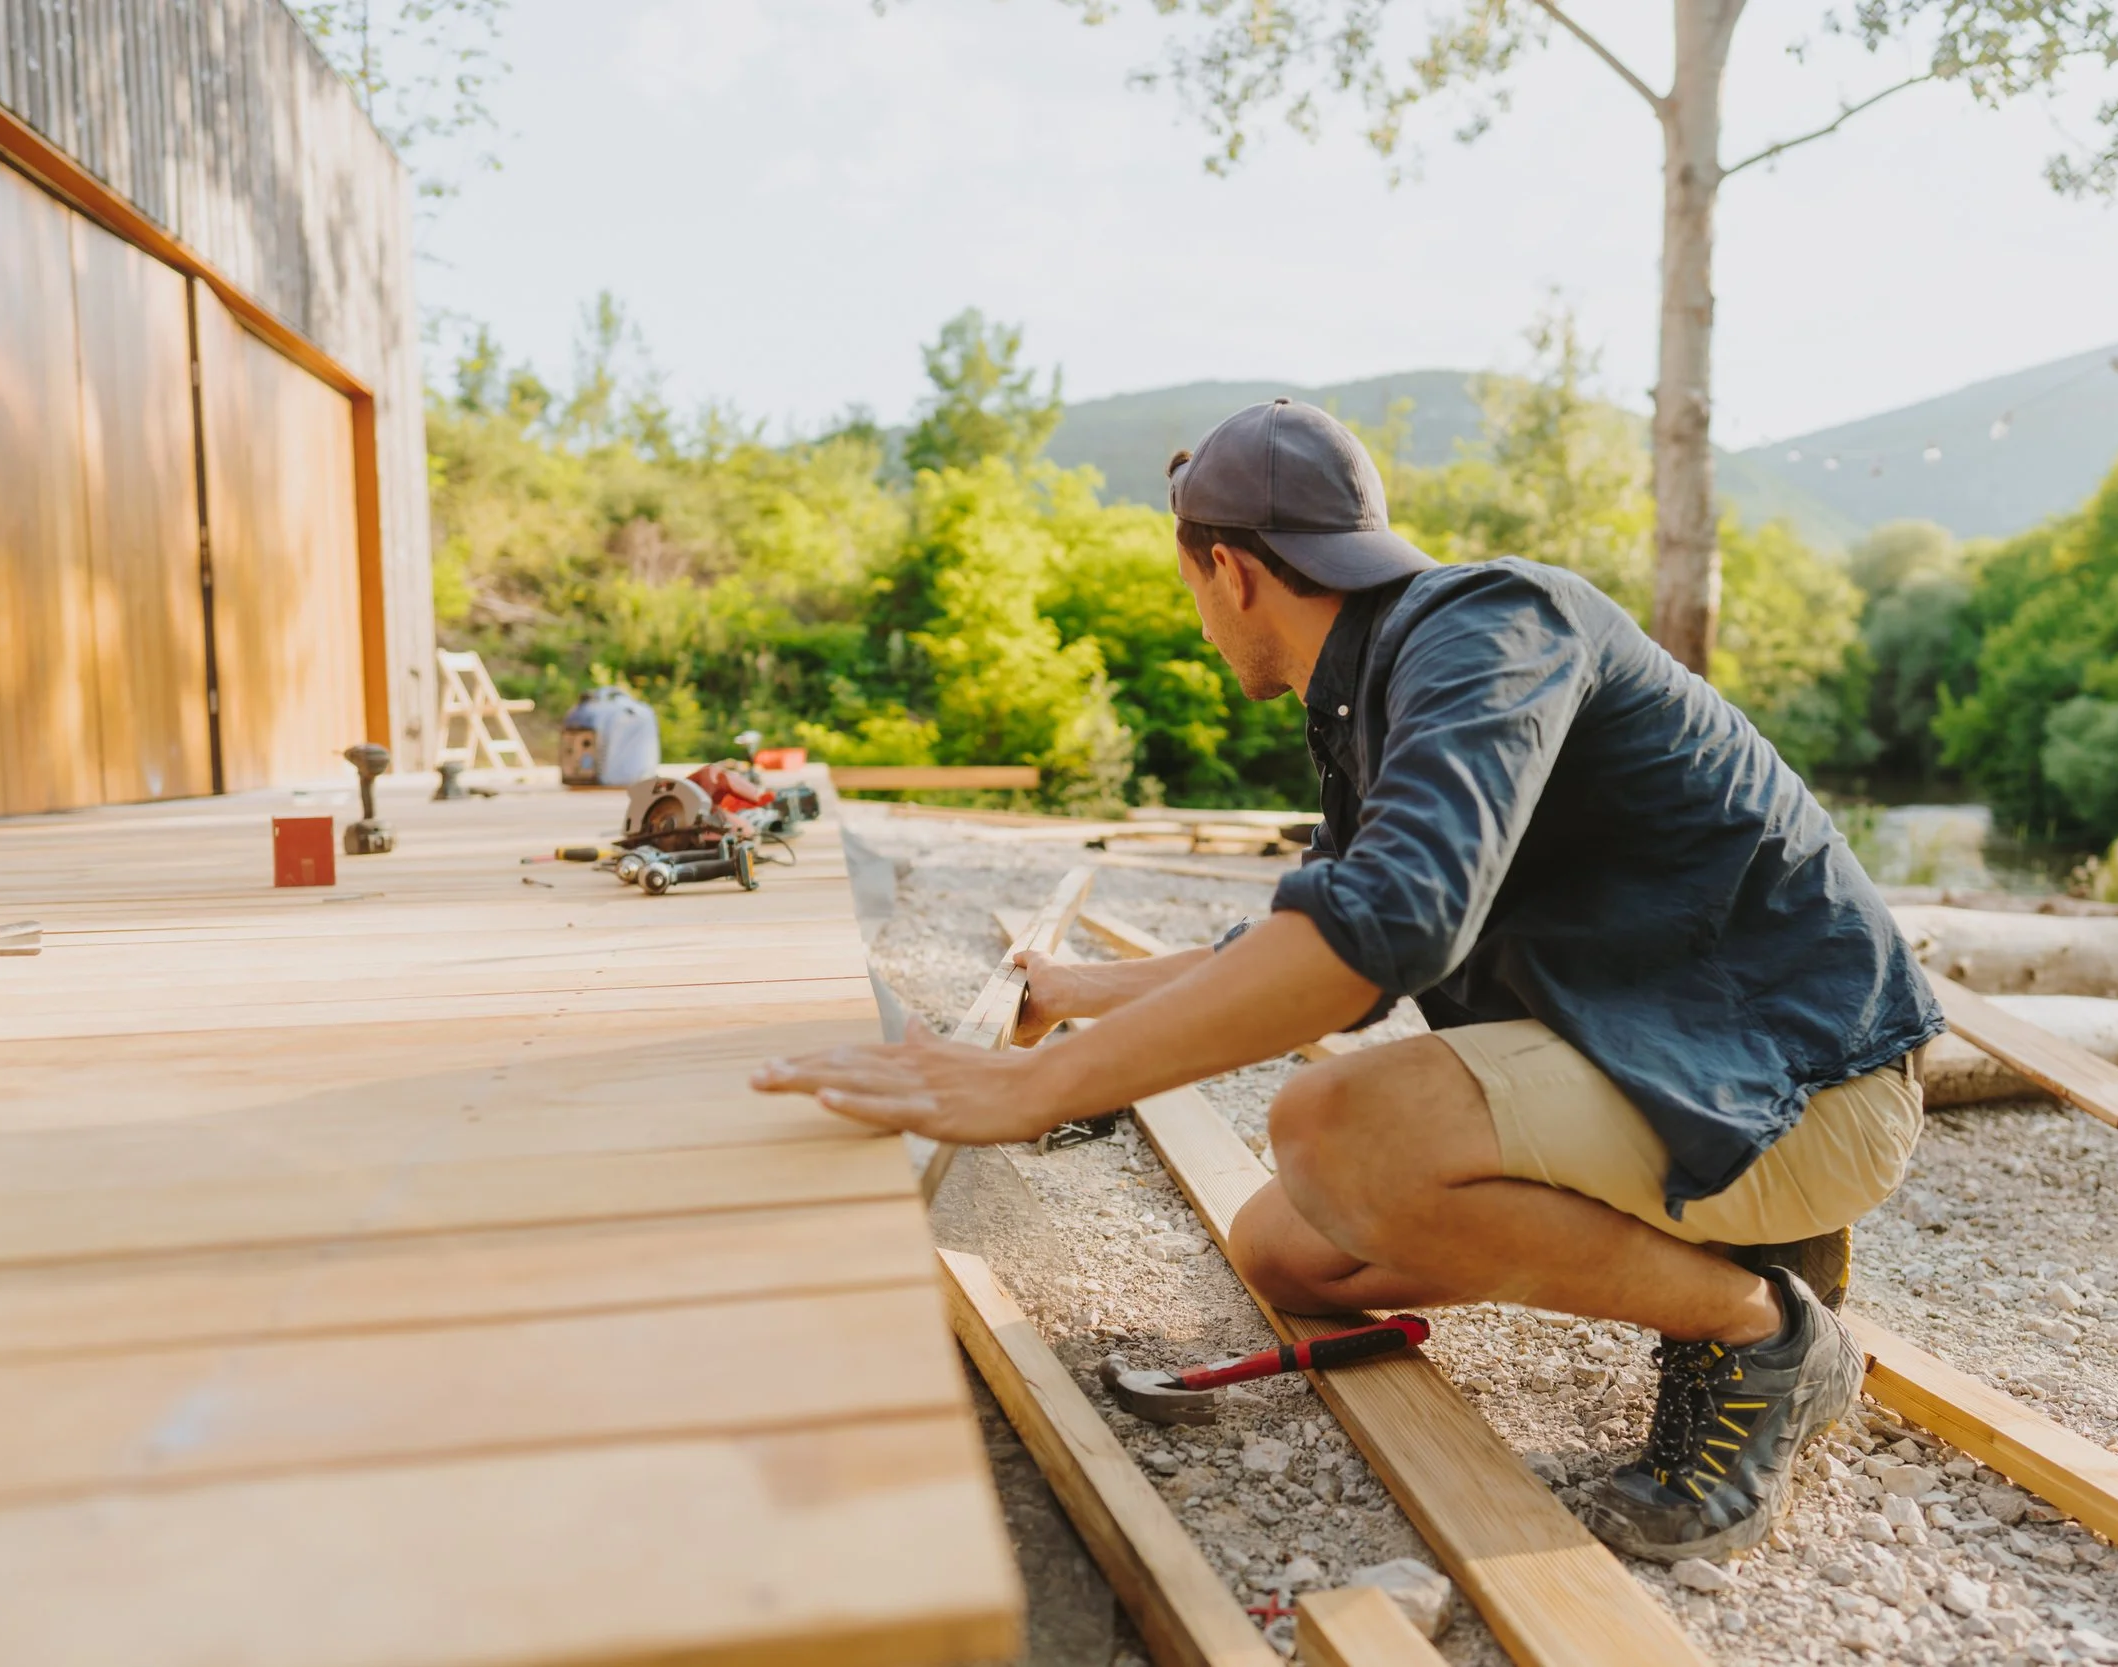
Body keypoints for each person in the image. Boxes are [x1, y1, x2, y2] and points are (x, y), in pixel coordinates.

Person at [752, 398, 1945, 1563]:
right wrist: (1075, 994)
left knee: (1336, 1129)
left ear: (1226, 568)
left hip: (1806, 1085)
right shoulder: (1388, 687)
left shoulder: (1491, 625)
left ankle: (1761, 1326)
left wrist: (1038, 1088)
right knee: (1291, 1252)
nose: (1201, 625)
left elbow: (1387, 929)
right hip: (1665, 1056)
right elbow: (1314, 935)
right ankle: (1725, 1252)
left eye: (1192, 595)